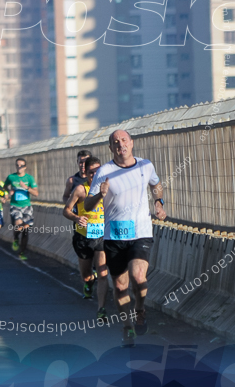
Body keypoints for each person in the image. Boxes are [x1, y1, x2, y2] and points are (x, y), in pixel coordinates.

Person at [84, 130, 165, 346]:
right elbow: (87, 205)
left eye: (124, 140)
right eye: (115, 142)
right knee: (120, 287)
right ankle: (127, 326)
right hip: (114, 236)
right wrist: (100, 195)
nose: (121, 145)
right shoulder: (104, 171)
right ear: (111, 148)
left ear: (132, 143)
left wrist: (159, 202)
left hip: (140, 232)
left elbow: (156, 185)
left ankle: (139, 309)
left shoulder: (145, 165)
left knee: (139, 277)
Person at [63, 156, 109, 319]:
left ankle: (101, 309)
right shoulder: (81, 190)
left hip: (102, 237)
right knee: (86, 275)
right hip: (83, 236)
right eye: (91, 172)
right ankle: (89, 283)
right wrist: (76, 218)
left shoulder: (107, 189)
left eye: (98, 172)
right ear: (86, 173)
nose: (95, 175)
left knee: (103, 274)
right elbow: (66, 210)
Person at [4, 158, 38, 261]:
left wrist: (26, 187)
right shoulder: (11, 177)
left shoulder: (29, 178)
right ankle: (15, 238)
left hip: (26, 206)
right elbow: (5, 186)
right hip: (15, 206)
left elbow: (36, 193)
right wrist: (9, 191)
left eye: (21, 165)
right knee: (18, 225)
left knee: (26, 230)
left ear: (25, 167)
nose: (19, 167)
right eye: (17, 165)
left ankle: (22, 252)